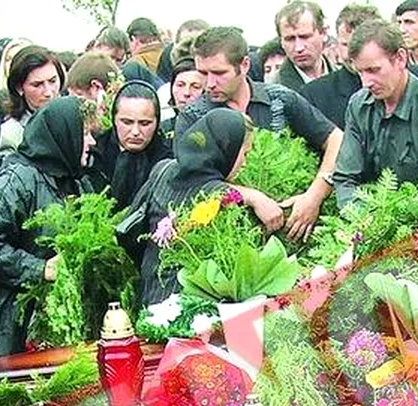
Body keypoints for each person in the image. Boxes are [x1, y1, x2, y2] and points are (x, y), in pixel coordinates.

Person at [174, 26, 342, 239]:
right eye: (203, 73)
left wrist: (314, 196)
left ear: (244, 65)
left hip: (296, 230)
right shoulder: (193, 117)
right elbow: (190, 182)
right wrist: (251, 197)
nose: (209, 83)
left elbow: (335, 139)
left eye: (218, 73)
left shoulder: (279, 99)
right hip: (229, 237)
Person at [0, 96, 92, 358]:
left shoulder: (75, 182)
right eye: (85, 134)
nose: (91, 142)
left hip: (62, 323)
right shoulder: (18, 179)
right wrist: (39, 269)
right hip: (13, 327)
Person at [121, 108, 283, 303]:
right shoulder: (223, 201)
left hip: (151, 299)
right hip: (194, 313)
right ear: (226, 150)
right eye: (244, 154)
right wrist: (254, 197)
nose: (244, 163)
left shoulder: (163, 170)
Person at [333, 20, 418, 207]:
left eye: (373, 70)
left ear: (401, 59)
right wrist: (364, 219)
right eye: (360, 72)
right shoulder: (359, 105)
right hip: (370, 218)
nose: (366, 82)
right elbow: (345, 178)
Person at [90, 81, 172, 211]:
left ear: (156, 123)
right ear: (114, 119)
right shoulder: (94, 154)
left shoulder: (167, 162)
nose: (135, 132)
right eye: (127, 122)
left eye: (144, 123)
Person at [274, 1, 335, 92]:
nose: (299, 48)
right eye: (290, 39)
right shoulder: (275, 93)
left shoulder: (349, 79)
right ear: (281, 41)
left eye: (305, 37)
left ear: (323, 33)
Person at [162, 57, 205, 139]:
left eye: (195, 87)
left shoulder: (213, 130)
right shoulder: (162, 129)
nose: (186, 93)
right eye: (180, 85)